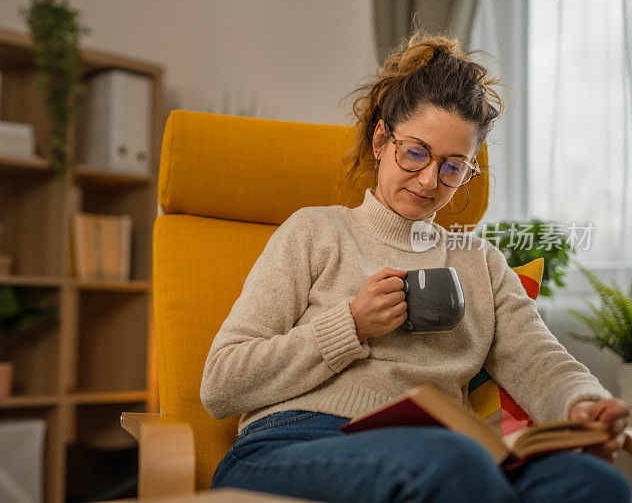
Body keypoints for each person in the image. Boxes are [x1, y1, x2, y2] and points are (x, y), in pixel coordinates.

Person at [199, 32, 632, 502]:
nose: (429, 180)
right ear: (382, 139)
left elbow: (541, 363)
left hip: (444, 452)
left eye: (452, 167)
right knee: (453, 462)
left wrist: (585, 405)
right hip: (295, 442)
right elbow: (221, 384)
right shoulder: (314, 232)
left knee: (595, 483)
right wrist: (351, 325)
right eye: (417, 152)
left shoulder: (480, 262)